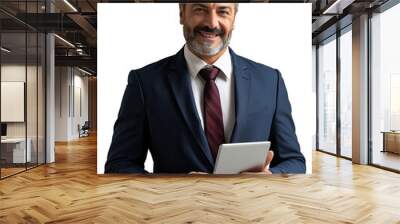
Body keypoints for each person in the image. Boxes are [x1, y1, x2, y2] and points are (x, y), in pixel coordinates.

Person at [105, 3, 306, 174]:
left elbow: (294, 162)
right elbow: (119, 164)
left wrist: (269, 176)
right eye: (200, 9)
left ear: (234, 18)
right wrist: (174, 187)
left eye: (223, 11)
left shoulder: (270, 81)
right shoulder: (145, 82)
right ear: (182, 13)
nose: (211, 23)